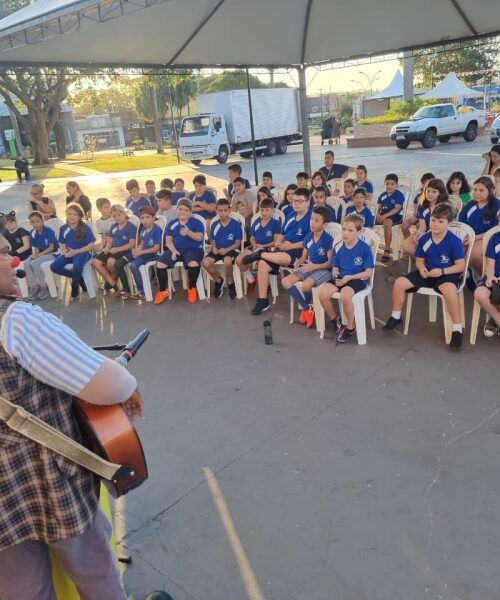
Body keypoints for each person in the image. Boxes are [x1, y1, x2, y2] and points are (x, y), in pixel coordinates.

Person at [0, 233, 142, 600]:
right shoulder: (16, 320)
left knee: (23, 590)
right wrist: (128, 384)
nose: (13, 261)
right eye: (3, 254)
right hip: (48, 479)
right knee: (96, 574)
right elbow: (106, 385)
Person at [383, 203, 466, 350]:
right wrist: (421, 269)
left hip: (447, 273)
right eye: (434, 220)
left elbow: (461, 266)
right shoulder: (425, 238)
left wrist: (442, 272)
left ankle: (457, 328)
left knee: (449, 290)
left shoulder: (454, 241)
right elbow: (420, 261)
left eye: (441, 221)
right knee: (399, 284)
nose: (436, 224)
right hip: (428, 272)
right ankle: (396, 316)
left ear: (449, 224)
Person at [244, 187, 312, 315]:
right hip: (283, 250)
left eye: (300, 201)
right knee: (263, 265)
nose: (296, 204)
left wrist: (290, 246)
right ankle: (263, 300)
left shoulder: (311, 218)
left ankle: (261, 254)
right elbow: (281, 234)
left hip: (300, 252)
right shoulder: (290, 216)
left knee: (282, 257)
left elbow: (310, 241)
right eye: (294, 201)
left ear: (308, 202)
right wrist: (277, 244)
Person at [318, 213, 374, 343]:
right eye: (344, 229)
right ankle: (336, 320)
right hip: (342, 278)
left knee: (345, 294)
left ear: (358, 232)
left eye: (350, 230)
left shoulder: (364, 248)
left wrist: (350, 277)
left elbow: (368, 273)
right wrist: (336, 273)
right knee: (322, 293)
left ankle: (350, 327)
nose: (346, 233)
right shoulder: (338, 246)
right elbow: (335, 266)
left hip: (357, 279)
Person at [282, 206, 333, 328]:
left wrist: (313, 266)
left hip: (324, 269)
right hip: (309, 266)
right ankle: (307, 308)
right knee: (285, 281)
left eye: (316, 220)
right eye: (311, 219)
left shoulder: (328, 239)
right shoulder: (308, 236)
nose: (312, 222)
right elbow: (304, 257)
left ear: (324, 224)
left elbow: (330, 263)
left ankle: (309, 306)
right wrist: (298, 262)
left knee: (305, 285)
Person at [153, 199, 205, 305]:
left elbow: (199, 238)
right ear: (176, 210)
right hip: (175, 250)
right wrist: (173, 250)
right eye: (180, 209)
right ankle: (163, 291)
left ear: (190, 212)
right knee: (160, 264)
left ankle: (192, 288)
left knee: (193, 263)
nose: (183, 212)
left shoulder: (197, 222)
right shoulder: (172, 223)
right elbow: (168, 241)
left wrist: (188, 233)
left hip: (193, 249)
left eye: (186, 210)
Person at [50, 203, 96, 300]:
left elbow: (91, 245)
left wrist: (77, 251)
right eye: (69, 214)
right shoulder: (63, 228)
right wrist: (64, 251)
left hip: (83, 252)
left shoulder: (84, 228)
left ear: (79, 216)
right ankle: (78, 278)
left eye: (74, 214)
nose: (71, 216)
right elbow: (62, 244)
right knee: (54, 266)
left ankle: (75, 286)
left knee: (77, 266)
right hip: (69, 253)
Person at [236, 198, 281, 293]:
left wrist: (263, 246)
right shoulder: (256, 223)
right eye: (262, 210)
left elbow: (275, 241)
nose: (264, 212)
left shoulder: (276, 223)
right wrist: (254, 244)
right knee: (239, 260)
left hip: (269, 249)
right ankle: (251, 280)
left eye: (267, 210)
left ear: (272, 210)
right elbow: (252, 238)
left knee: (262, 263)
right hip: (255, 247)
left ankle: (266, 284)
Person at [458, 176, 500, 276]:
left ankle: (485, 278)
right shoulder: (470, 204)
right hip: (470, 236)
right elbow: (462, 223)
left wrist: (475, 238)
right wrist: (465, 237)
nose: (477, 193)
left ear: (490, 191)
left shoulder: (497, 205)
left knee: (475, 255)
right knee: (455, 250)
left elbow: (496, 228)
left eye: (481, 190)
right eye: (475, 190)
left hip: (487, 236)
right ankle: (465, 275)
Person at [202, 198, 243, 300]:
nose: (223, 213)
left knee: (228, 261)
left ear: (229, 210)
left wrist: (227, 250)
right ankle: (218, 280)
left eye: (225, 210)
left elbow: (238, 243)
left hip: (231, 249)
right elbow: (213, 240)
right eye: (220, 210)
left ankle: (230, 281)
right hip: (218, 250)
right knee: (206, 262)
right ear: (216, 211)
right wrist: (214, 247)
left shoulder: (235, 224)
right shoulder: (215, 224)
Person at [92, 205, 137, 294]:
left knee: (111, 261)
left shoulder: (131, 227)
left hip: (125, 250)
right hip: (114, 249)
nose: (117, 218)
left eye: (119, 215)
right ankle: (113, 282)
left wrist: (118, 249)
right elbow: (110, 241)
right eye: (114, 216)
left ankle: (113, 276)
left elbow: (132, 244)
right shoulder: (113, 226)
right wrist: (107, 248)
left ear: (124, 214)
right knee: (95, 262)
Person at [402, 178, 448, 258]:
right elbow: (422, 226)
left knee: (428, 247)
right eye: (428, 191)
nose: (430, 194)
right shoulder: (422, 206)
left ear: (440, 193)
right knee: (406, 244)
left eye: (434, 192)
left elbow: (444, 227)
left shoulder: (444, 207)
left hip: (440, 234)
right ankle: (425, 261)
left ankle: (431, 262)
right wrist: (418, 235)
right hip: (426, 233)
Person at [473, 211, 500, 337]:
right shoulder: (495, 239)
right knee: (480, 293)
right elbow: (490, 265)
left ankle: (493, 321)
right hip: (496, 276)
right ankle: (498, 319)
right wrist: (490, 276)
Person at [128, 206, 162, 300]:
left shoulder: (157, 230)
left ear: (153, 217)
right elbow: (142, 244)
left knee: (133, 265)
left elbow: (156, 249)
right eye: (142, 218)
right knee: (126, 260)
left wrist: (140, 252)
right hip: (144, 253)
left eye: (147, 217)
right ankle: (129, 288)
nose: (144, 220)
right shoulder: (143, 230)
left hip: (153, 255)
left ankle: (141, 291)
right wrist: (137, 250)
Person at [24, 210, 59, 300]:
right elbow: (36, 249)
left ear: (42, 221)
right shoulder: (32, 232)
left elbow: (51, 248)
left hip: (53, 253)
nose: (35, 224)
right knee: (27, 263)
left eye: (37, 221)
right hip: (42, 254)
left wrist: (38, 256)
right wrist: (34, 255)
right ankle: (35, 286)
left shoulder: (48, 230)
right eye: (32, 222)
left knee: (35, 263)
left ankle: (43, 287)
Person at [375, 173, 405, 262]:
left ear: (396, 185)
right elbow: (377, 207)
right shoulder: (382, 195)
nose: (389, 186)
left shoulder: (398, 195)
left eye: (392, 184)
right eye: (387, 184)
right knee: (368, 220)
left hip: (396, 216)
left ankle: (387, 249)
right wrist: (378, 215)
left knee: (387, 223)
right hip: (383, 215)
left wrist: (384, 216)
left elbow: (397, 209)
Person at [401, 173, 435, 240]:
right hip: (417, 216)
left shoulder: (434, 197)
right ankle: (408, 239)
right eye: (423, 183)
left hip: (426, 218)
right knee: (404, 225)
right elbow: (415, 209)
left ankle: (420, 240)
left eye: (428, 183)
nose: (426, 185)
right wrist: (414, 216)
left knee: (419, 225)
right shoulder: (418, 196)